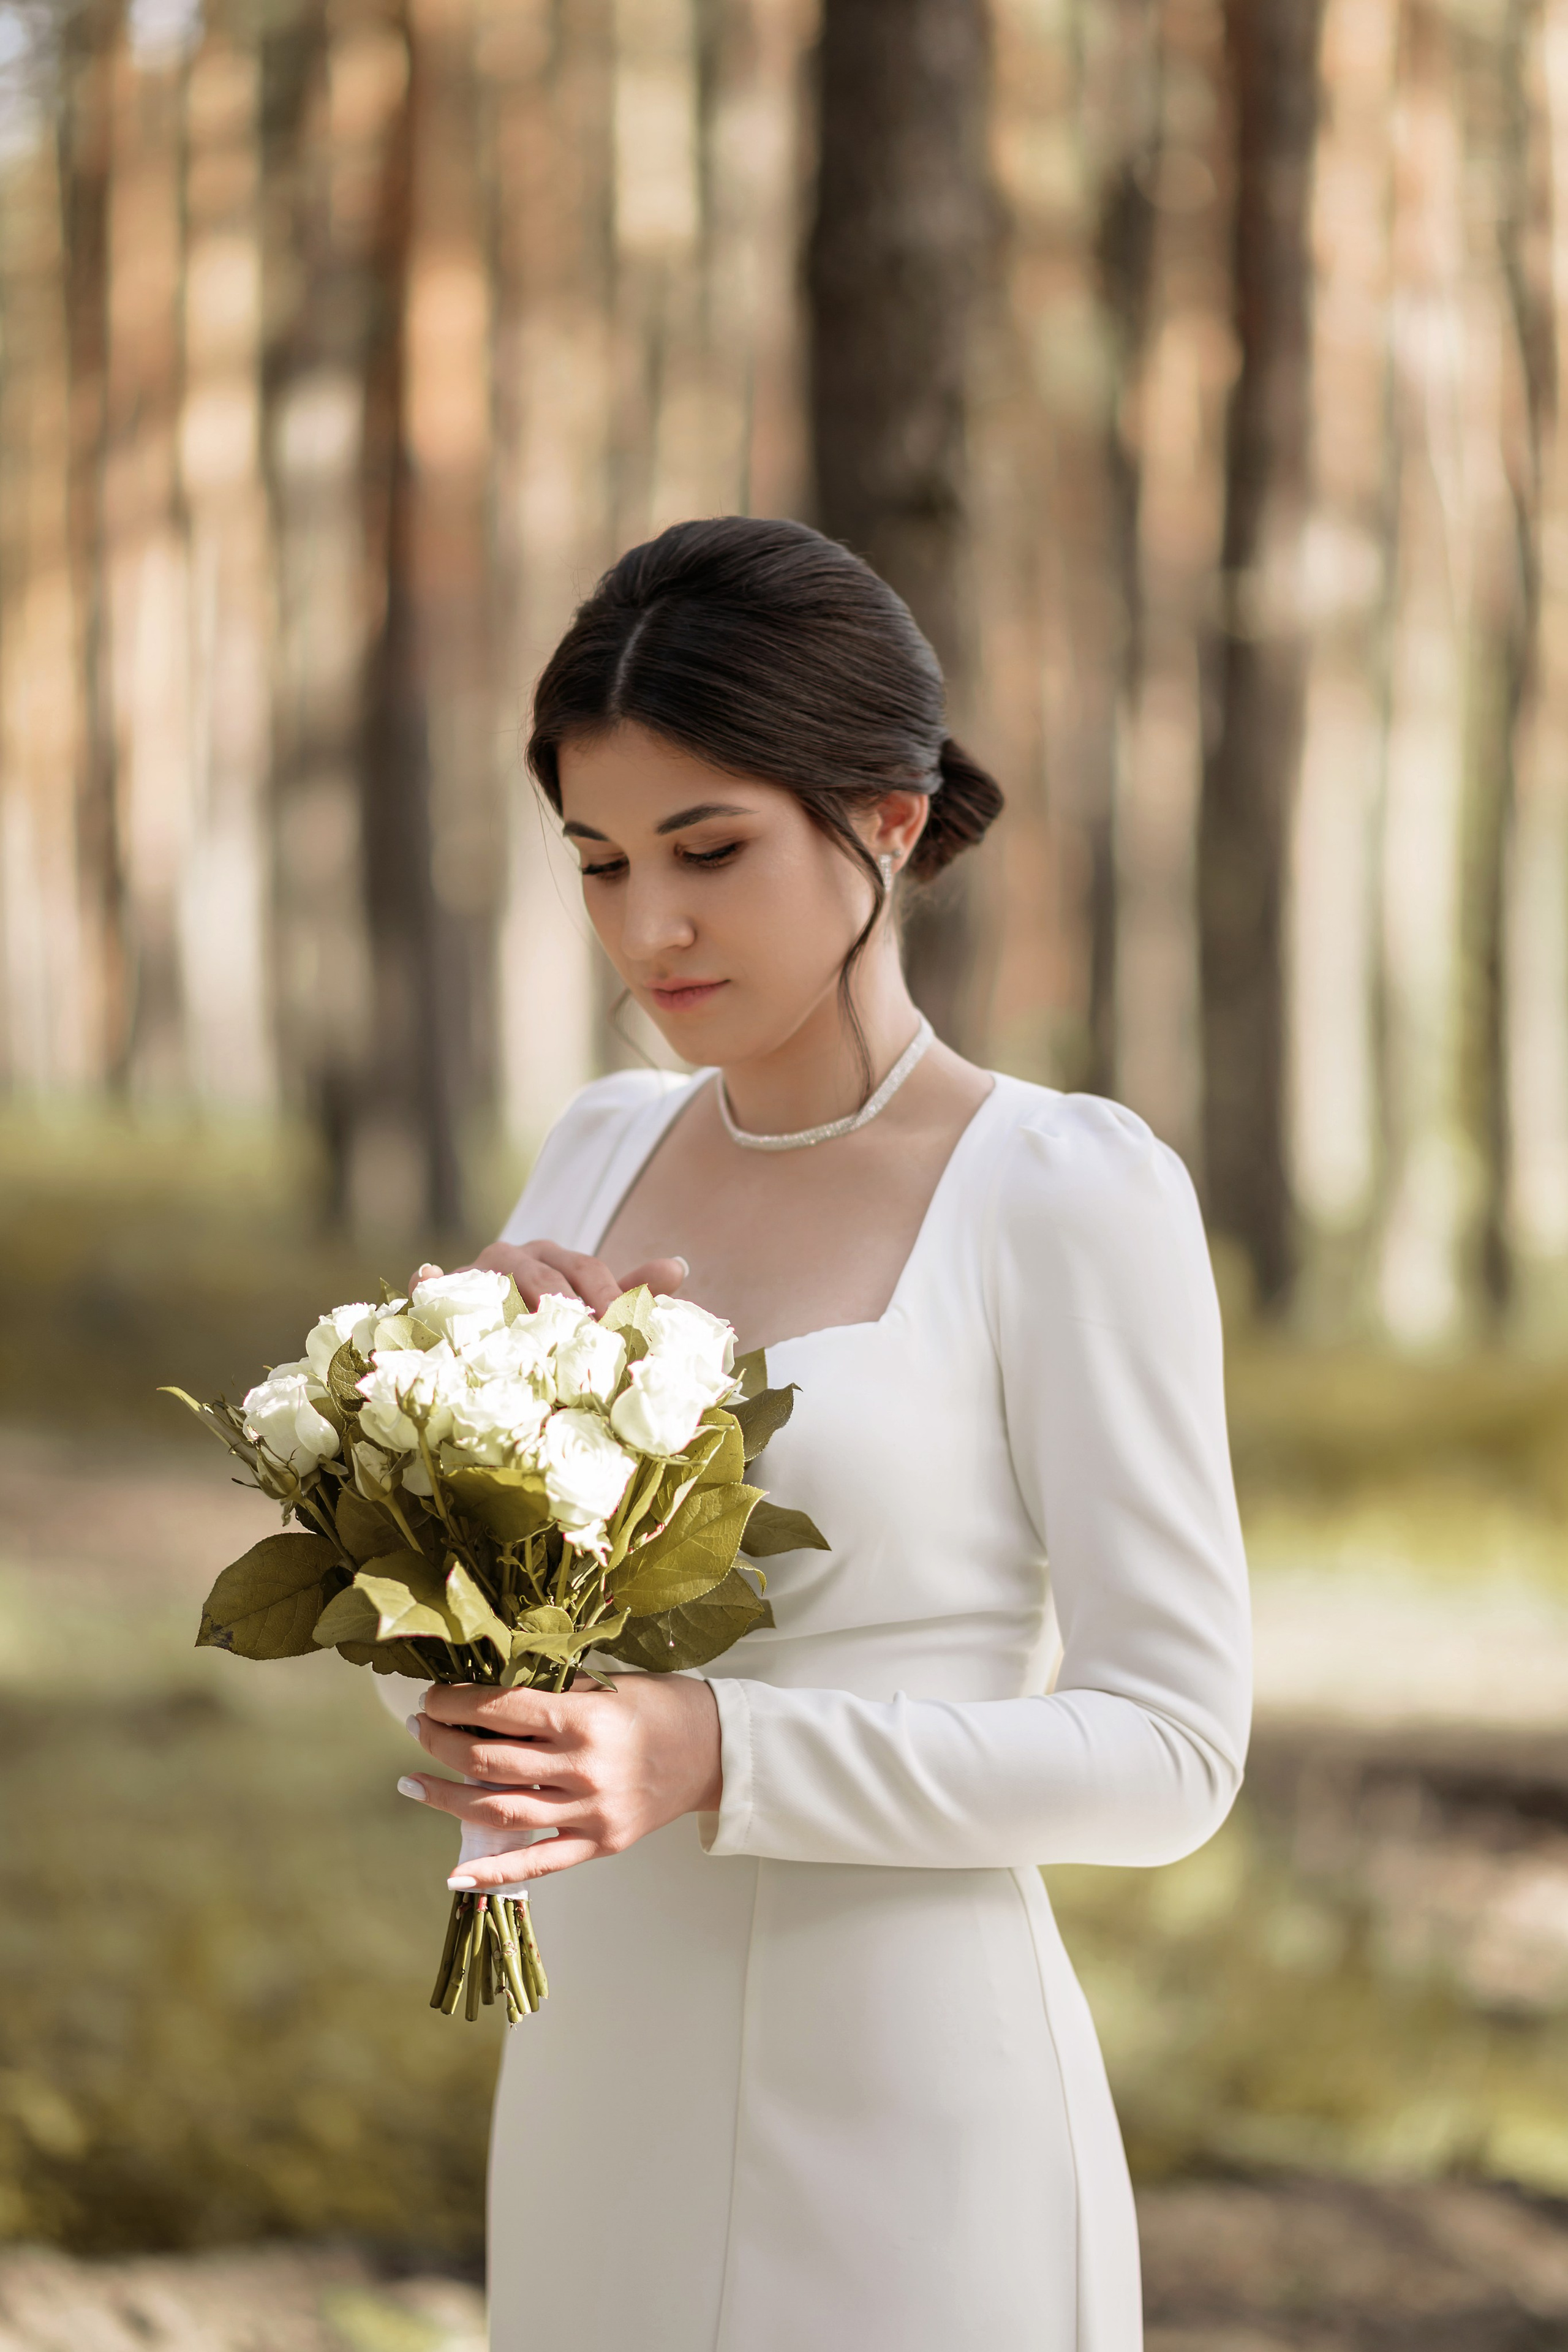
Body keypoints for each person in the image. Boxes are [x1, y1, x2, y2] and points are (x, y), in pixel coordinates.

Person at [388, 516, 1251, 2351]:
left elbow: (1172, 1747)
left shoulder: (1061, 1189)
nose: (651, 926)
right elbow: (499, 1673)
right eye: (602, 862)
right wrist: (446, 1595)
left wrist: (720, 1753)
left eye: (711, 850)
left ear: (887, 819)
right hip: (598, 2073)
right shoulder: (598, 1149)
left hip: (910, 2106)